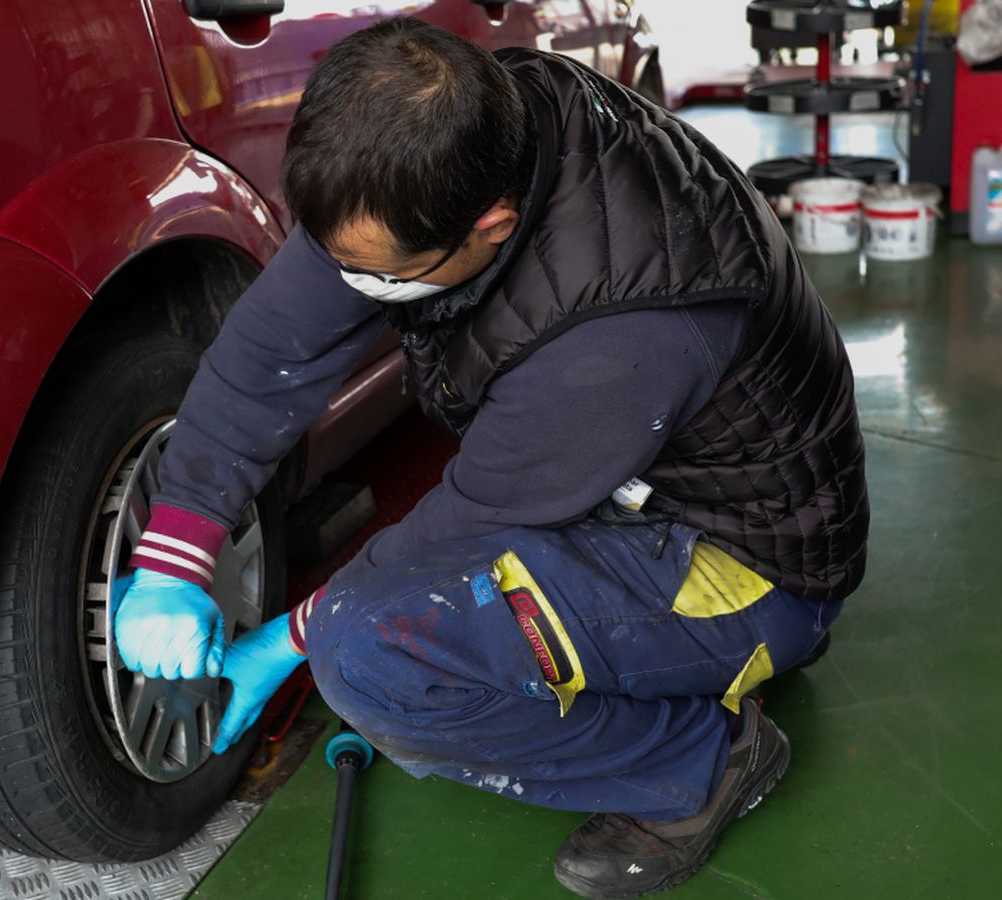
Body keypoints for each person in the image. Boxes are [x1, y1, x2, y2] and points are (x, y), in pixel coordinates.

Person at [110, 17, 866, 898]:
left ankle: (700, 760)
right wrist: (173, 550)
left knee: (370, 652)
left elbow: (468, 524)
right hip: (632, 482)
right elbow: (270, 352)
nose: (359, 292)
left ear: (493, 225)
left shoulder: (626, 329)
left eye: (383, 277)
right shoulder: (447, 144)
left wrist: (291, 640)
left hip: (747, 566)